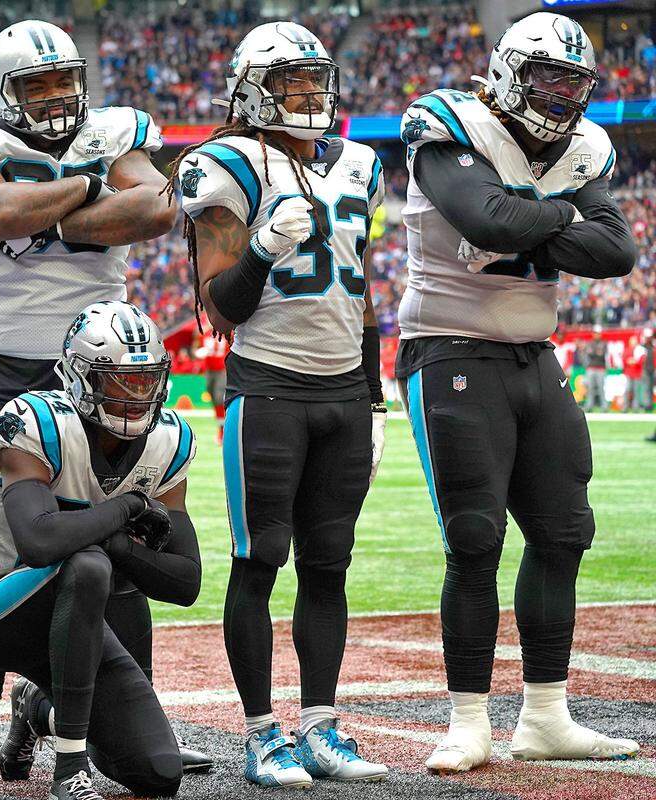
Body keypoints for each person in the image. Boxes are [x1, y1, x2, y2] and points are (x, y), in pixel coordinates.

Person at [0, 19, 205, 776]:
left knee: (126, 545)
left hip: (106, 370)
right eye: (37, 85)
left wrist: (42, 205)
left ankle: (132, 707)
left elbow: (156, 211)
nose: (56, 98)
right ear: (2, 93)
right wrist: (93, 194)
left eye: (64, 82)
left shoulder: (116, 130)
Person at [395, 11, 639, 772]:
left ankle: (544, 716)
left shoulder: (585, 149)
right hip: (451, 350)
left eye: (576, 82)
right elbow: (480, 215)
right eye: (549, 78)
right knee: (474, 540)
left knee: (564, 533)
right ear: (508, 72)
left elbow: (617, 250)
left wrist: (530, 218)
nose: (563, 96)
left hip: (537, 354)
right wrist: (562, 216)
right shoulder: (446, 121)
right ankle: (469, 721)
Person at [169, 21, 389, 789]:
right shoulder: (223, 164)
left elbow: (361, 290)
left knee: (329, 566)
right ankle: (263, 736)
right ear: (254, 89)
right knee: (259, 558)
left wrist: (377, 397)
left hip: (342, 391)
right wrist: (261, 251)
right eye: (293, 82)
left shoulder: (359, 165)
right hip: (268, 385)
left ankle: (322, 727)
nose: (309, 96)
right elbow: (218, 309)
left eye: (315, 81)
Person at [0, 301, 198, 800]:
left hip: (86, 623)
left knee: (158, 772)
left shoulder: (169, 441)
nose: (136, 395)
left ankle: (37, 710)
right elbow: (40, 542)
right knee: (88, 564)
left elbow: (185, 581)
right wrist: (130, 507)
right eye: (119, 381)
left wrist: (121, 548)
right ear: (80, 377)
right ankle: (69, 767)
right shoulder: (34, 420)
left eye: (145, 380)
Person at [581, 329, 608, 410]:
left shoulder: (604, 343)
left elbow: (602, 354)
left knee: (601, 388)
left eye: (598, 333)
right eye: (595, 333)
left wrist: (594, 352)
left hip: (600, 368)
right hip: (591, 368)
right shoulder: (590, 343)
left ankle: (604, 406)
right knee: (590, 388)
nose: (597, 335)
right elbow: (589, 353)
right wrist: (596, 352)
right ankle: (589, 406)